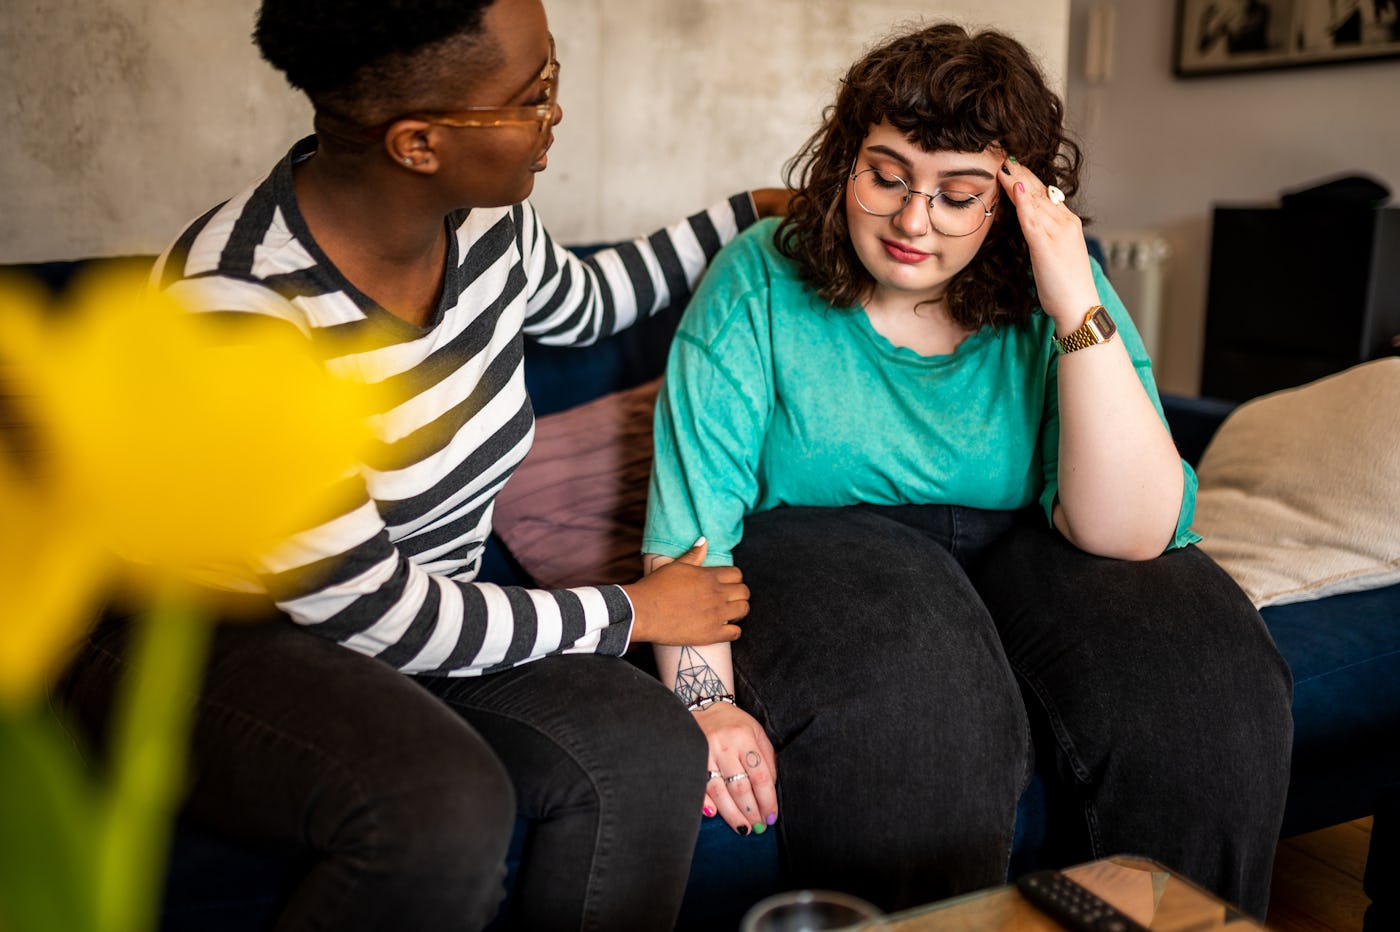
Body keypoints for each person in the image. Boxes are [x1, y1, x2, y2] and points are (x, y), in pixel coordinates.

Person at [54, 0, 787, 929]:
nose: (556, 116)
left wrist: (755, 212)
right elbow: (370, 613)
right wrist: (633, 611)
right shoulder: (239, 313)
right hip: (212, 639)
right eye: (536, 95)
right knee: (439, 806)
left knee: (646, 747)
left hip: (424, 606)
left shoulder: (486, 227)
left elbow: (595, 302)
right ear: (416, 142)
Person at [642, 22, 1294, 919]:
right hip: (823, 551)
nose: (915, 221)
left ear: (1012, 200)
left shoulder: (1054, 288)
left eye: (959, 194)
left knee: (1202, 679)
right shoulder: (759, 276)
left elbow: (1130, 534)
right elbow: (693, 527)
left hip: (1029, 547)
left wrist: (1072, 294)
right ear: (845, 165)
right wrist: (705, 703)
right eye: (888, 176)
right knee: (924, 706)